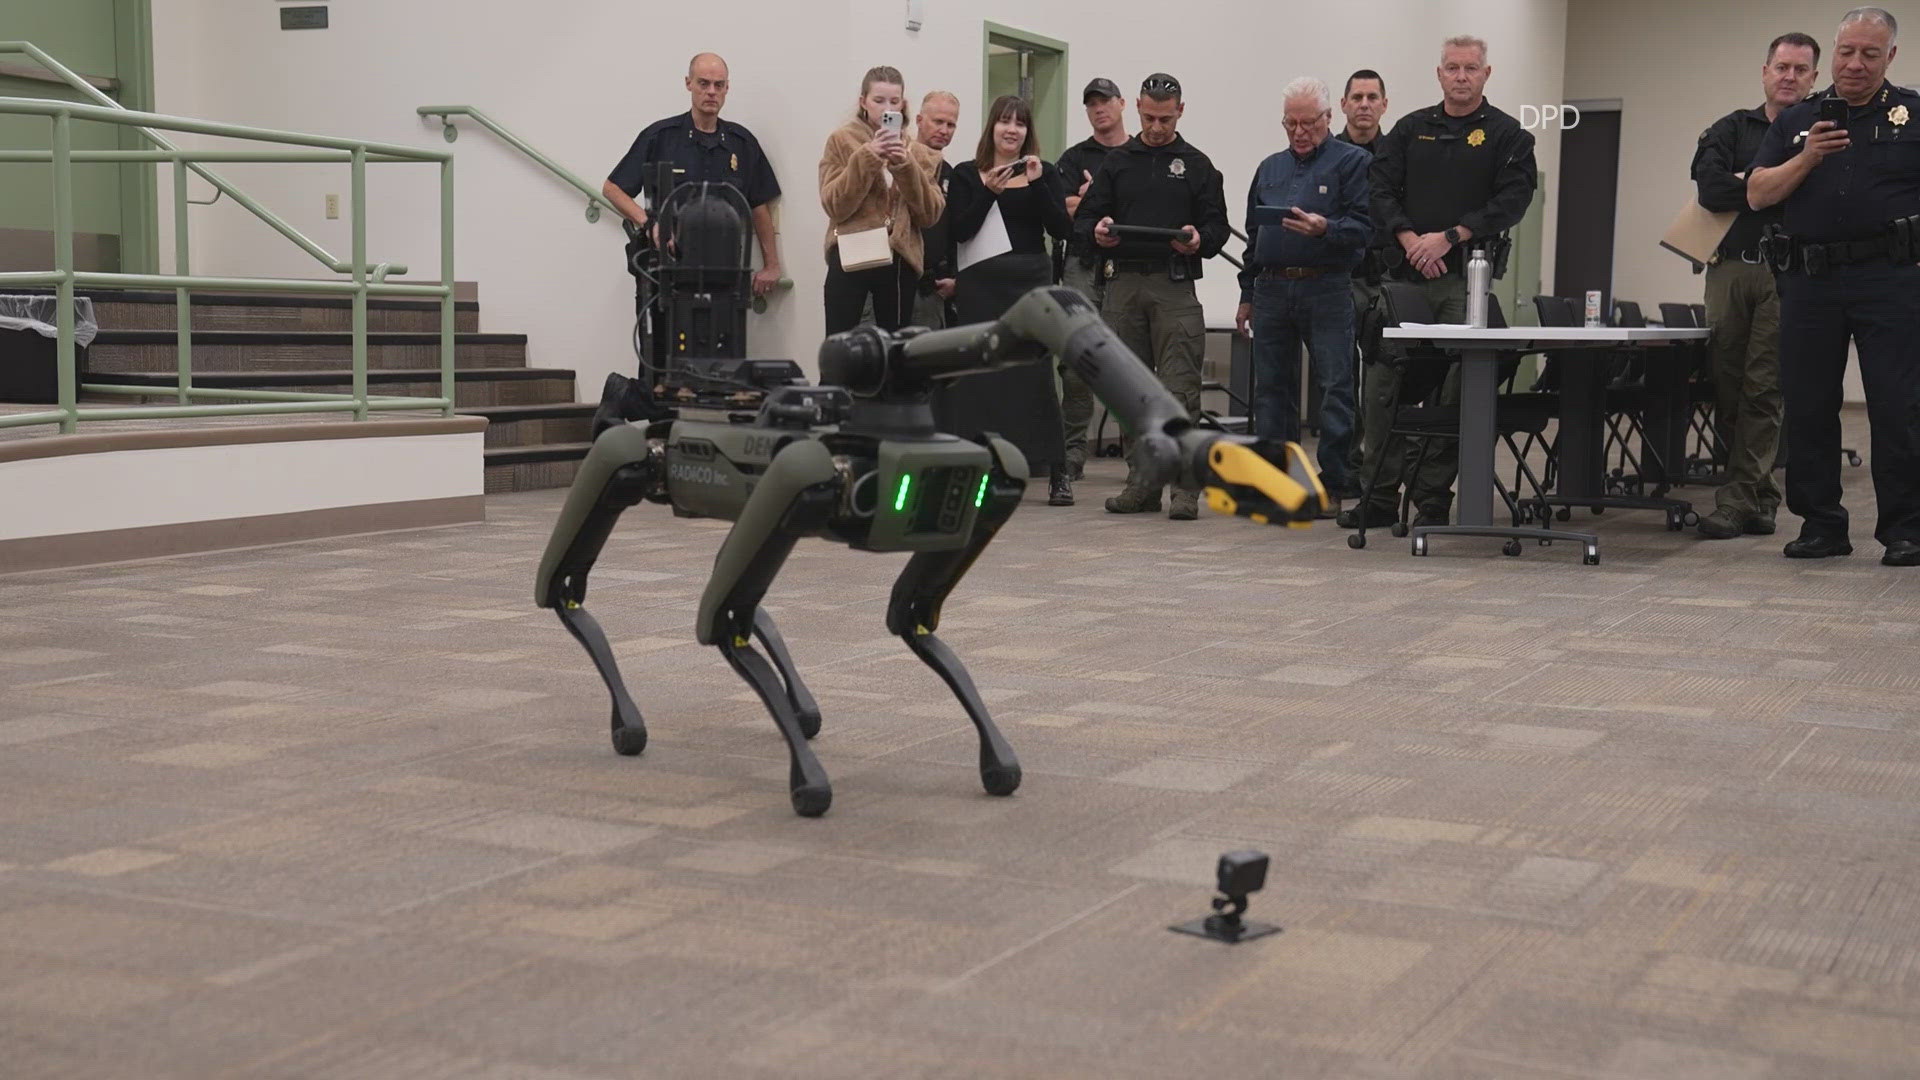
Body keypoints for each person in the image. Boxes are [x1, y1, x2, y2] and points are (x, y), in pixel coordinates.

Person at [1748, 6, 1920, 567]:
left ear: (1889, 57)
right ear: (1834, 50)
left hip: (1890, 278)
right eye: (1847, 51)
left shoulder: (1912, 115)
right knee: (1808, 405)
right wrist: (1808, 156)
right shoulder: (1797, 120)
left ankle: (1906, 529)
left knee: (1897, 405)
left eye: (1871, 53)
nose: (1855, 63)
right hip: (1810, 280)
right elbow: (1757, 194)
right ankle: (1821, 525)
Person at [1342, 35, 1536, 531]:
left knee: (1458, 388)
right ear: (1439, 73)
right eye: (1453, 67)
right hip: (1404, 279)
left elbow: (1512, 201)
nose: (1461, 76)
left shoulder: (1508, 135)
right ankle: (1378, 496)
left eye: (1471, 68)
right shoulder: (1408, 130)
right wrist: (1411, 241)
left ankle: (1431, 495)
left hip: (1463, 283)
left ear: (1486, 74)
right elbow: (1379, 191)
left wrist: (1449, 238)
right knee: (1383, 385)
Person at [1075, 73, 1231, 521]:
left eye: (1165, 118)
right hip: (1122, 285)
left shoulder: (1197, 165)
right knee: (1130, 391)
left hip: (1174, 286)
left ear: (1181, 111)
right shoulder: (1119, 161)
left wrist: (1201, 240)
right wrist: (1099, 234)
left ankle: (1184, 490)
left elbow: (1217, 227)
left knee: (1180, 389)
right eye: (1149, 117)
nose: (1157, 127)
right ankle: (1141, 486)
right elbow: (1084, 222)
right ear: (1137, 109)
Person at [1689, 32, 1821, 540]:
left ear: (1813, 78)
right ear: (1764, 71)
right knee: (1727, 387)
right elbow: (1709, 190)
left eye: (1800, 70)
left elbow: (1816, 194)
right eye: (1781, 67)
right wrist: (1773, 184)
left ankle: (1737, 499)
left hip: (1786, 271)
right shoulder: (1729, 128)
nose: (1789, 77)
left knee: (1764, 386)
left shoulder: (1821, 128)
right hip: (1727, 270)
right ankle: (1762, 496)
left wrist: (1759, 181)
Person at [1233, 77, 1371, 519]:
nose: (1299, 131)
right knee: (1272, 390)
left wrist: (1325, 228)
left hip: (1327, 286)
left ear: (1329, 118)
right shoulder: (1269, 168)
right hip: (1272, 289)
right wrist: (1247, 292)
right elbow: (1253, 237)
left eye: (1308, 122)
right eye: (1290, 123)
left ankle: (1333, 482)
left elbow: (1367, 230)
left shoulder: (1354, 163)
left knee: (1335, 387)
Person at [933, 96, 1073, 492]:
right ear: (991, 127)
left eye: (1020, 124)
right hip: (982, 285)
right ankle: (984, 462)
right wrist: (989, 192)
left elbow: (1061, 228)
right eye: (1004, 122)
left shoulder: (1043, 171)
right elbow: (958, 231)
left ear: (1028, 132)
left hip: (1029, 282)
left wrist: (1038, 184)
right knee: (983, 373)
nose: (1012, 130)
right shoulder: (965, 173)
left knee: (1035, 373)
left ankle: (1055, 470)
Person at [604, 53, 783, 300]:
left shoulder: (741, 143)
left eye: (718, 85)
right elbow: (612, 188)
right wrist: (649, 224)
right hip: (665, 270)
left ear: (727, 88)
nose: (711, 91)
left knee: (725, 338)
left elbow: (758, 206)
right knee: (661, 339)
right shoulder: (661, 137)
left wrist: (772, 265)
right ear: (688, 83)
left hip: (723, 270)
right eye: (703, 83)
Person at [818, 65, 946, 334]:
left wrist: (905, 165)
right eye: (878, 100)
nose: (887, 108)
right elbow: (834, 205)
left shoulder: (919, 153)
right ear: (863, 102)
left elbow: (930, 215)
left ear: (903, 105)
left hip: (899, 260)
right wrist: (868, 157)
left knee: (894, 351)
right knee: (841, 347)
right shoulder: (841, 140)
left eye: (894, 101)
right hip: (851, 253)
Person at [1054, 77, 1132, 482]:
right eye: (1092, 104)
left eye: (1106, 101)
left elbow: (1144, 206)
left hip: (1129, 267)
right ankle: (1071, 452)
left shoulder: (1140, 153)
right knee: (1076, 361)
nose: (1099, 109)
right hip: (1083, 265)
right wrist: (1095, 200)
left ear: (1122, 103)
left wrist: (1092, 198)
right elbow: (1063, 207)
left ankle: (1139, 456)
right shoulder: (1073, 156)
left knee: (1135, 358)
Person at [1337, 69, 1391, 489]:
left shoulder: (1398, 155)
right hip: (1338, 279)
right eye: (1357, 97)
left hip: (1386, 280)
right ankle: (1347, 466)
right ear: (1343, 105)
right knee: (1340, 379)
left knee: (1383, 378)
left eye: (1372, 97)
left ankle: (1381, 466)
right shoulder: (1327, 154)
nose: (1365, 104)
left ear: (1384, 105)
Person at [913, 91, 961, 330]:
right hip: (892, 281)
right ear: (919, 120)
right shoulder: (899, 163)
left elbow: (955, 233)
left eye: (951, 124)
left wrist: (956, 280)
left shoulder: (950, 174)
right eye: (938, 121)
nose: (944, 130)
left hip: (932, 289)